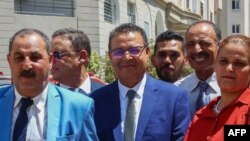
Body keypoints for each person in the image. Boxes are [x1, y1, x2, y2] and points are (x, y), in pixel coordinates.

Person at [90, 23, 190, 141]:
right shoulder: (95, 101)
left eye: (134, 50)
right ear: (110, 56)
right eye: (118, 52)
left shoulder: (174, 97)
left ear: (147, 52)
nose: (126, 57)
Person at [0, 28, 99, 140]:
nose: (27, 65)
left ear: (50, 60)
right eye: (19, 58)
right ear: (9, 60)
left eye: (35, 57)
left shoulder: (78, 107)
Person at [184, 35, 250, 141]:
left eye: (239, 63)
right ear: (215, 65)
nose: (229, 68)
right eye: (223, 61)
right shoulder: (201, 116)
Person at [175, 20, 221, 118]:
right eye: (190, 44)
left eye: (204, 43)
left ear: (219, 46)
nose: (197, 49)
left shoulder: (237, 89)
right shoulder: (177, 90)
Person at [50, 28, 105, 95]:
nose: (51, 61)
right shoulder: (45, 98)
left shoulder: (108, 94)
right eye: (49, 56)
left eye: (57, 55)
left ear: (82, 57)